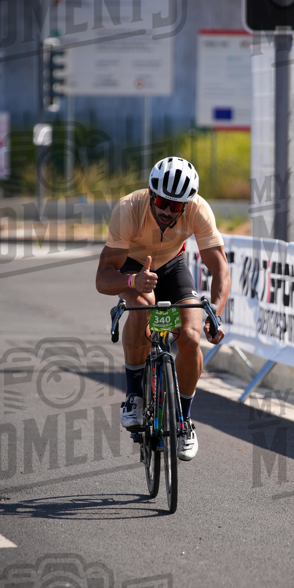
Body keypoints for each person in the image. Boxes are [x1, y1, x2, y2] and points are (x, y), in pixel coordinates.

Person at [95, 156, 231, 461]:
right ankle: (134, 395)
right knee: (143, 308)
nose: (167, 210)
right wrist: (132, 280)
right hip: (132, 267)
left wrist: (216, 313)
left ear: (187, 204)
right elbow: (102, 278)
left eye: (176, 205)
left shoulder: (198, 209)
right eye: (161, 201)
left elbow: (219, 267)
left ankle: (184, 420)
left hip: (172, 266)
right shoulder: (128, 209)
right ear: (150, 192)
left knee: (190, 338)